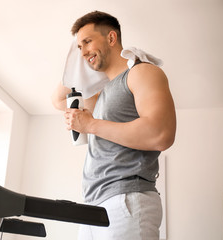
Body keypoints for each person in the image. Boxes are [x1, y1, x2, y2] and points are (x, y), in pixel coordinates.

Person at [51, 11, 176, 240]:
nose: (83, 51)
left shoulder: (141, 72)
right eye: (79, 47)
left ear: (111, 38)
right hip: (93, 206)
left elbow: (161, 134)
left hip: (126, 200)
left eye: (88, 41)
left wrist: (90, 125)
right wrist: (80, 53)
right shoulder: (102, 94)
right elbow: (58, 99)